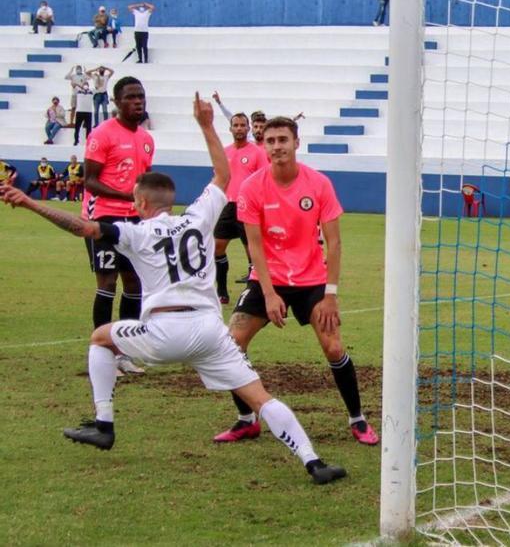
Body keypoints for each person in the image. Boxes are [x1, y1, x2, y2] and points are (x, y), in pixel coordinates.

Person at [0, 95, 348, 485]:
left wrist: (30, 203)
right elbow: (223, 175)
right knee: (260, 397)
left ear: (140, 201)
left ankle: (104, 423)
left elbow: (84, 227)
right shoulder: (198, 217)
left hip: (162, 333)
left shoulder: (135, 231)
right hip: (209, 332)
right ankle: (314, 462)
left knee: (100, 339)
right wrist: (206, 125)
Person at [215, 116, 378, 446]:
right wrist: (268, 293)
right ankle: (246, 420)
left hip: (312, 280)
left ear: (296, 143)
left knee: (333, 347)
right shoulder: (252, 187)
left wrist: (330, 295)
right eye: (271, 141)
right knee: (231, 344)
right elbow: (254, 246)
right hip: (268, 279)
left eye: (283, 140)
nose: (277, 146)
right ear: (264, 146)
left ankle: (357, 419)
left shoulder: (318, 184)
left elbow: (334, 243)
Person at [82, 77, 153, 378]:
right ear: (116, 101)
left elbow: (144, 179)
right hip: (104, 218)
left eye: (141, 97)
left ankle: (124, 353)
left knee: (134, 283)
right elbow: (90, 180)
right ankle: (103, 353)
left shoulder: (146, 139)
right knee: (107, 283)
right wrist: (127, 196)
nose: (138, 102)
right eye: (131, 97)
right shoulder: (102, 134)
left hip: (135, 220)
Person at [213, 112, 268, 304]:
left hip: (248, 206)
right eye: (235, 125)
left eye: (242, 125)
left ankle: (253, 291)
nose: (239, 128)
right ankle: (221, 290)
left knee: (252, 250)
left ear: (248, 128)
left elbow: (264, 180)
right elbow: (218, 177)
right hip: (228, 205)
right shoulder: (225, 152)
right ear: (230, 128)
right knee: (217, 247)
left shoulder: (257, 152)